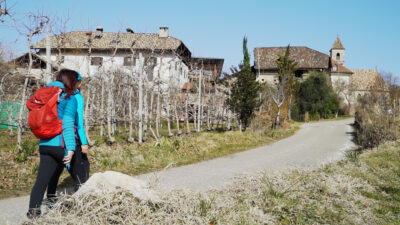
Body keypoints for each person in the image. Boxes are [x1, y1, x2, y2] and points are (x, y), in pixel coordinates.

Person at [27, 69, 79, 219]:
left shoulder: (44, 94)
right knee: (80, 177)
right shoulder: (70, 98)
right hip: (60, 144)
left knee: (41, 181)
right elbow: (68, 124)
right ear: (71, 81)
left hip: (44, 144)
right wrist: (70, 149)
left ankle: (33, 213)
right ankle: (82, 209)